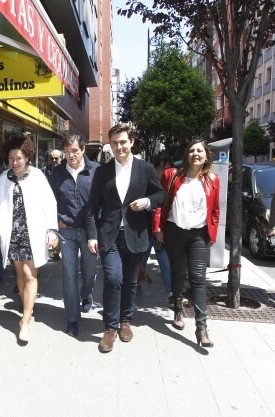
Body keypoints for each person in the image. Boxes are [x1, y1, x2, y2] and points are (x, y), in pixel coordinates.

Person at [86, 123, 164, 353]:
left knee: (130, 281)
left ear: (131, 142)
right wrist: (92, 235)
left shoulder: (146, 168)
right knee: (113, 279)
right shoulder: (102, 171)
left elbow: (160, 194)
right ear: (110, 145)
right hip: (109, 235)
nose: (119, 146)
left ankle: (125, 321)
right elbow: (93, 207)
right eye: (114, 143)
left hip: (136, 235)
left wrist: (147, 202)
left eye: (123, 142)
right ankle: (110, 328)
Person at [153, 140, 220, 348]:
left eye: (200, 150)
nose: (195, 154)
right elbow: (160, 203)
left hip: (199, 235)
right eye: (191, 150)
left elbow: (215, 211)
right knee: (178, 273)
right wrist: (158, 228)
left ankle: (202, 328)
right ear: (186, 155)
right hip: (174, 232)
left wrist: (212, 235)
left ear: (206, 156)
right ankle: (178, 310)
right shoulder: (171, 175)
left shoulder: (212, 180)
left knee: (199, 279)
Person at [0, 134, 58, 343]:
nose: (15, 162)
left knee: (31, 275)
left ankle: (25, 319)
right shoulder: (4, 178)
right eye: (11, 158)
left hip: (33, 232)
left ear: (27, 157)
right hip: (12, 233)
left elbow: (50, 203)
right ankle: (26, 310)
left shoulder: (38, 176)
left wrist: (52, 230)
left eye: (19, 158)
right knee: (19, 274)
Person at [48, 134, 99, 337]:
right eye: (67, 152)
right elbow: (49, 201)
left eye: (75, 151)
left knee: (89, 272)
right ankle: (72, 318)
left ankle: (87, 295)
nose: (71, 156)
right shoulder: (57, 173)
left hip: (89, 232)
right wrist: (55, 222)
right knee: (69, 275)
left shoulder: (95, 171)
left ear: (83, 150)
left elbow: (101, 201)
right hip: (67, 230)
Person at [136, 153, 174, 305]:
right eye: (161, 168)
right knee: (141, 261)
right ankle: (136, 283)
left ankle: (171, 293)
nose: (164, 172)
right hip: (145, 232)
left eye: (168, 168)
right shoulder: (145, 184)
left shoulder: (173, 187)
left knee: (165, 262)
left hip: (162, 233)